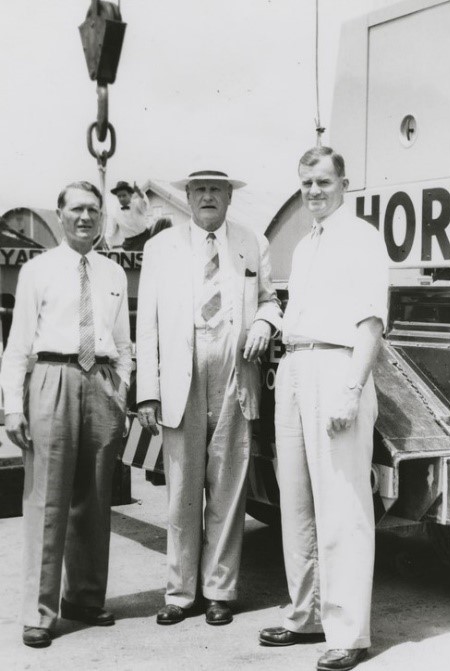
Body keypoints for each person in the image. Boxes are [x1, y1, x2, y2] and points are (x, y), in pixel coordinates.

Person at [258, 147, 388, 671]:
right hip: (295, 368)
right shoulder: (307, 244)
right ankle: (306, 614)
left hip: (337, 370)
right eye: (307, 183)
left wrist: (352, 390)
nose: (314, 191)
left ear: (344, 184)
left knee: (344, 507)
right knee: (298, 507)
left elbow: (371, 322)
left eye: (323, 182)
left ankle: (350, 633)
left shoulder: (361, 237)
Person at [136, 169, 282, 627]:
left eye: (216, 189)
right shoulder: (161, 247)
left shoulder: (251, 241)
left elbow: (269, 300)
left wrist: (263, 324)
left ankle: (220, 590)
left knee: (227, 488)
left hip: (234, 376)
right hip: (181, 378)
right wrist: (148, 392)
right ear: (186, 195)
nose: (207, 197)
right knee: (181, 493)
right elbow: (147, 325)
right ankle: (181, 594)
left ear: (229, 196)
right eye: (198, 188)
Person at [0, 181, 132, 648]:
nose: (85, 217)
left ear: (102, 217)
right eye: (76, 209)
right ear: (59, 215)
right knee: (47, 499)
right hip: (52, 377)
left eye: (93, 210)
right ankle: (40, 611)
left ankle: (85, 598)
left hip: (100, 381)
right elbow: (17, 347)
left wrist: (121, 387)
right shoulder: (37, 270)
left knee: (95, 498)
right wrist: (13, 407)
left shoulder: (113, 272)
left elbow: (123, 342)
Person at [106, 180, 150, 250]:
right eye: (119, 196)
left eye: (124, 195)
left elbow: (144, 204)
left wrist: (139, 192)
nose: (121, 198)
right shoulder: (115, 211)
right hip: (129, 243)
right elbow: (110, 230)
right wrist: (107, 244)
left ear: (130, 195)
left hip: (145, 238)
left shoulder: (137, 204)